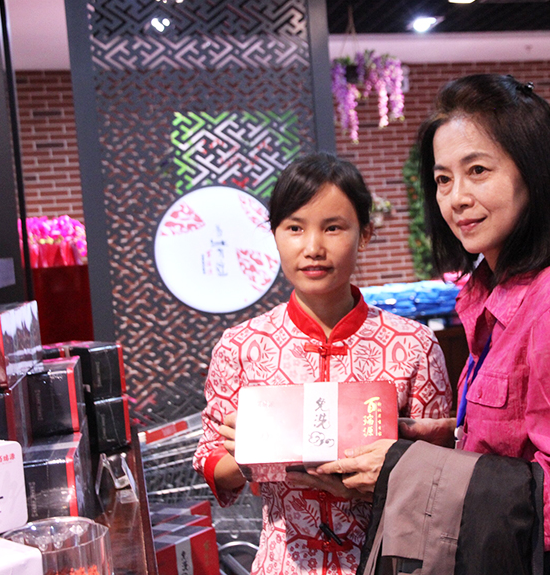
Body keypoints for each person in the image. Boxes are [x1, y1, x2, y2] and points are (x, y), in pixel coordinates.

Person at [315, 74, 550, 574]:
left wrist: (407, 471)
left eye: (478, 170)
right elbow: (513, 443)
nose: (456, 198)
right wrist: (431, 438)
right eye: (443, 179)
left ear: (535, 174)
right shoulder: (490, 289)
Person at [192, 152, 452, 575]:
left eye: (333, 228)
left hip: (388, 562)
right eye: (294, 228)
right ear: (275, 235)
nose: (313, 248)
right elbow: (210, 462)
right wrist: (249, 455)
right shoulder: (241, 346)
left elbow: (442, 475)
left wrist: (381, 477)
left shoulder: (413, 345)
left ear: (364, 234)